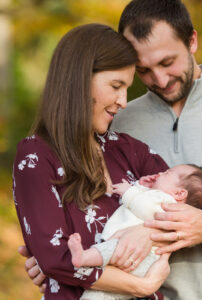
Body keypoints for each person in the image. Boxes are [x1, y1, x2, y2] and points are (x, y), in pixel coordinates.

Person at [21, 0, 202, 299]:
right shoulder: (119, 120)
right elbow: (99, 214)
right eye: (144, 70)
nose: (159, 80)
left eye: (167, 62)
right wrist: (57, 259)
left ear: (192, 41)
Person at [13, 23, 172, 300]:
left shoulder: (128, 150)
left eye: (126, 88)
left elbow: (184, 208)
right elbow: (56, 260)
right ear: (79, 79)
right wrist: (142, 286)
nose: (123, 101)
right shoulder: (35, 157)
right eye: (115, 86)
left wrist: (146, 232)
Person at [68, 164, 202, 300]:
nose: (160, 173)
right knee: (107, 293)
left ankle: (84, 258)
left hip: (134, 252)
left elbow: (147, 209)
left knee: (110, 250)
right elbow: (139, 203)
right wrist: (141, 185)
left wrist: (129, 191)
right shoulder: (156, 197)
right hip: (140, 264)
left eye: (167, 173)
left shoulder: (167, 203)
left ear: (180, 193)